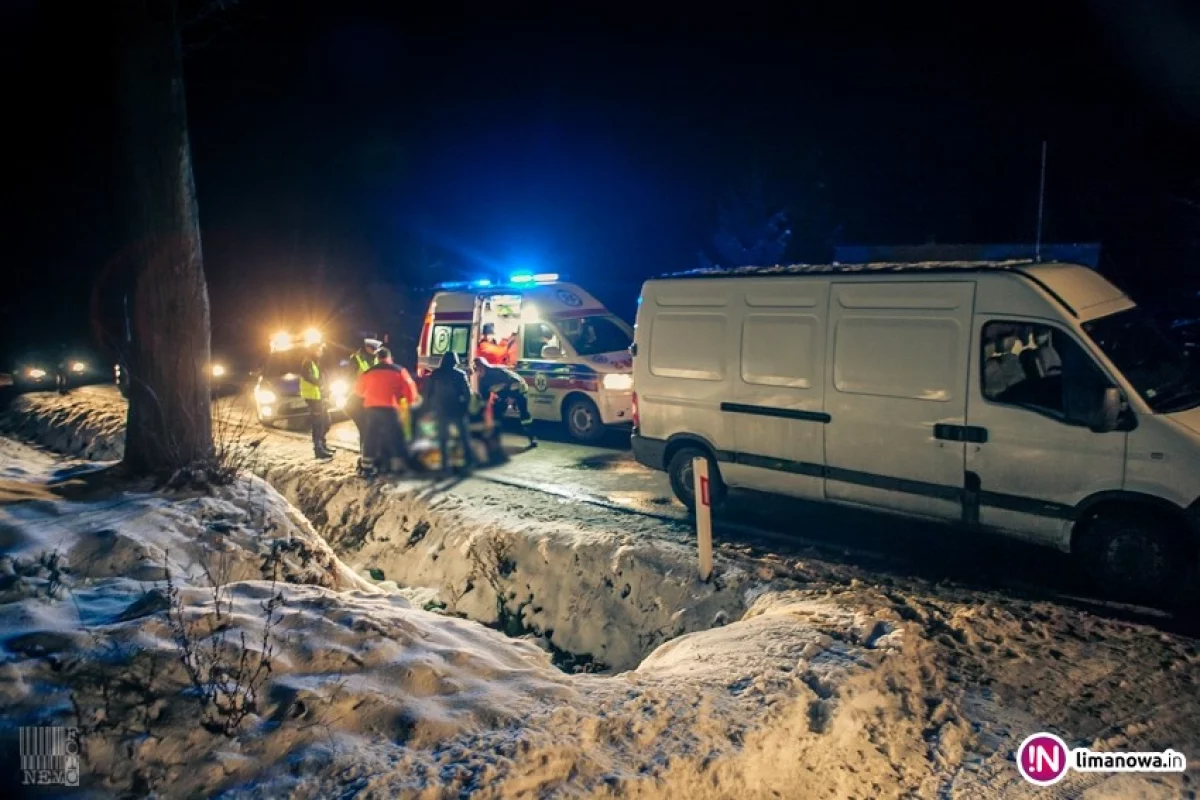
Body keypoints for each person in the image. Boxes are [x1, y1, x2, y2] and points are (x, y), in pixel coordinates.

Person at [355, 347, 419, 475]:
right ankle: (397, 465)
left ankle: (367, 464)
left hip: (371, 408)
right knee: (395, 435)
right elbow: (410, 390)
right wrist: (410, 401)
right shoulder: (399, 371)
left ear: (377, 359)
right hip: (390, 407)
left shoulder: (368, 372)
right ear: (389, 357)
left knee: (371, 436)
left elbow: (359, 391)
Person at [423, 352, 475, 476]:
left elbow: (428, 394)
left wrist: (428, 409)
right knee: (463, 437)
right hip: (457, 408)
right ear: (455, 361)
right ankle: (468, 462)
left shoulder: (435, 374)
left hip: (441, 409)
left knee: (443, 438)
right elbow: (467, 394)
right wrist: (466, 407)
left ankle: (445, 466)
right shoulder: (460, 374)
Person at [475, 357, 537, 447]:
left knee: (524, 416)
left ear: (484, 366)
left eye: (479, 367)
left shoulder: (498, 371)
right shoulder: (483, 381)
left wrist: (511, 396)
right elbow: (485, 398)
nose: (478, 371)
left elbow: (518, 382)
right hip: (504, 396)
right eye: (476, 369)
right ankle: (494, 441)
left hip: (518, 392)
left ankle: (532, 438)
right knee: (497, 414)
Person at [345, 338, 380, 463]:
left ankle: (370, 456)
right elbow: (350, 378)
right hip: (357, 400)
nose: (375, 351)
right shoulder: (356, 359)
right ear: (366, 347)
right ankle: (366, 459)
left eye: (377, 349)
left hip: (370, 400)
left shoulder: (375, 359)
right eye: (373, 348)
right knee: (365, 429)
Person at [301, 343, 333, 459]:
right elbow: (308, 376)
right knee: (318, 424)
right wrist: (321, 383)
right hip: (313, 397)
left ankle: (323, 445)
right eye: (319, 349)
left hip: (319, 396)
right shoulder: (308, 362)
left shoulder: (316, 362)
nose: (321, 351)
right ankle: (318, 450)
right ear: (313, 350)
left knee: (326, 422)